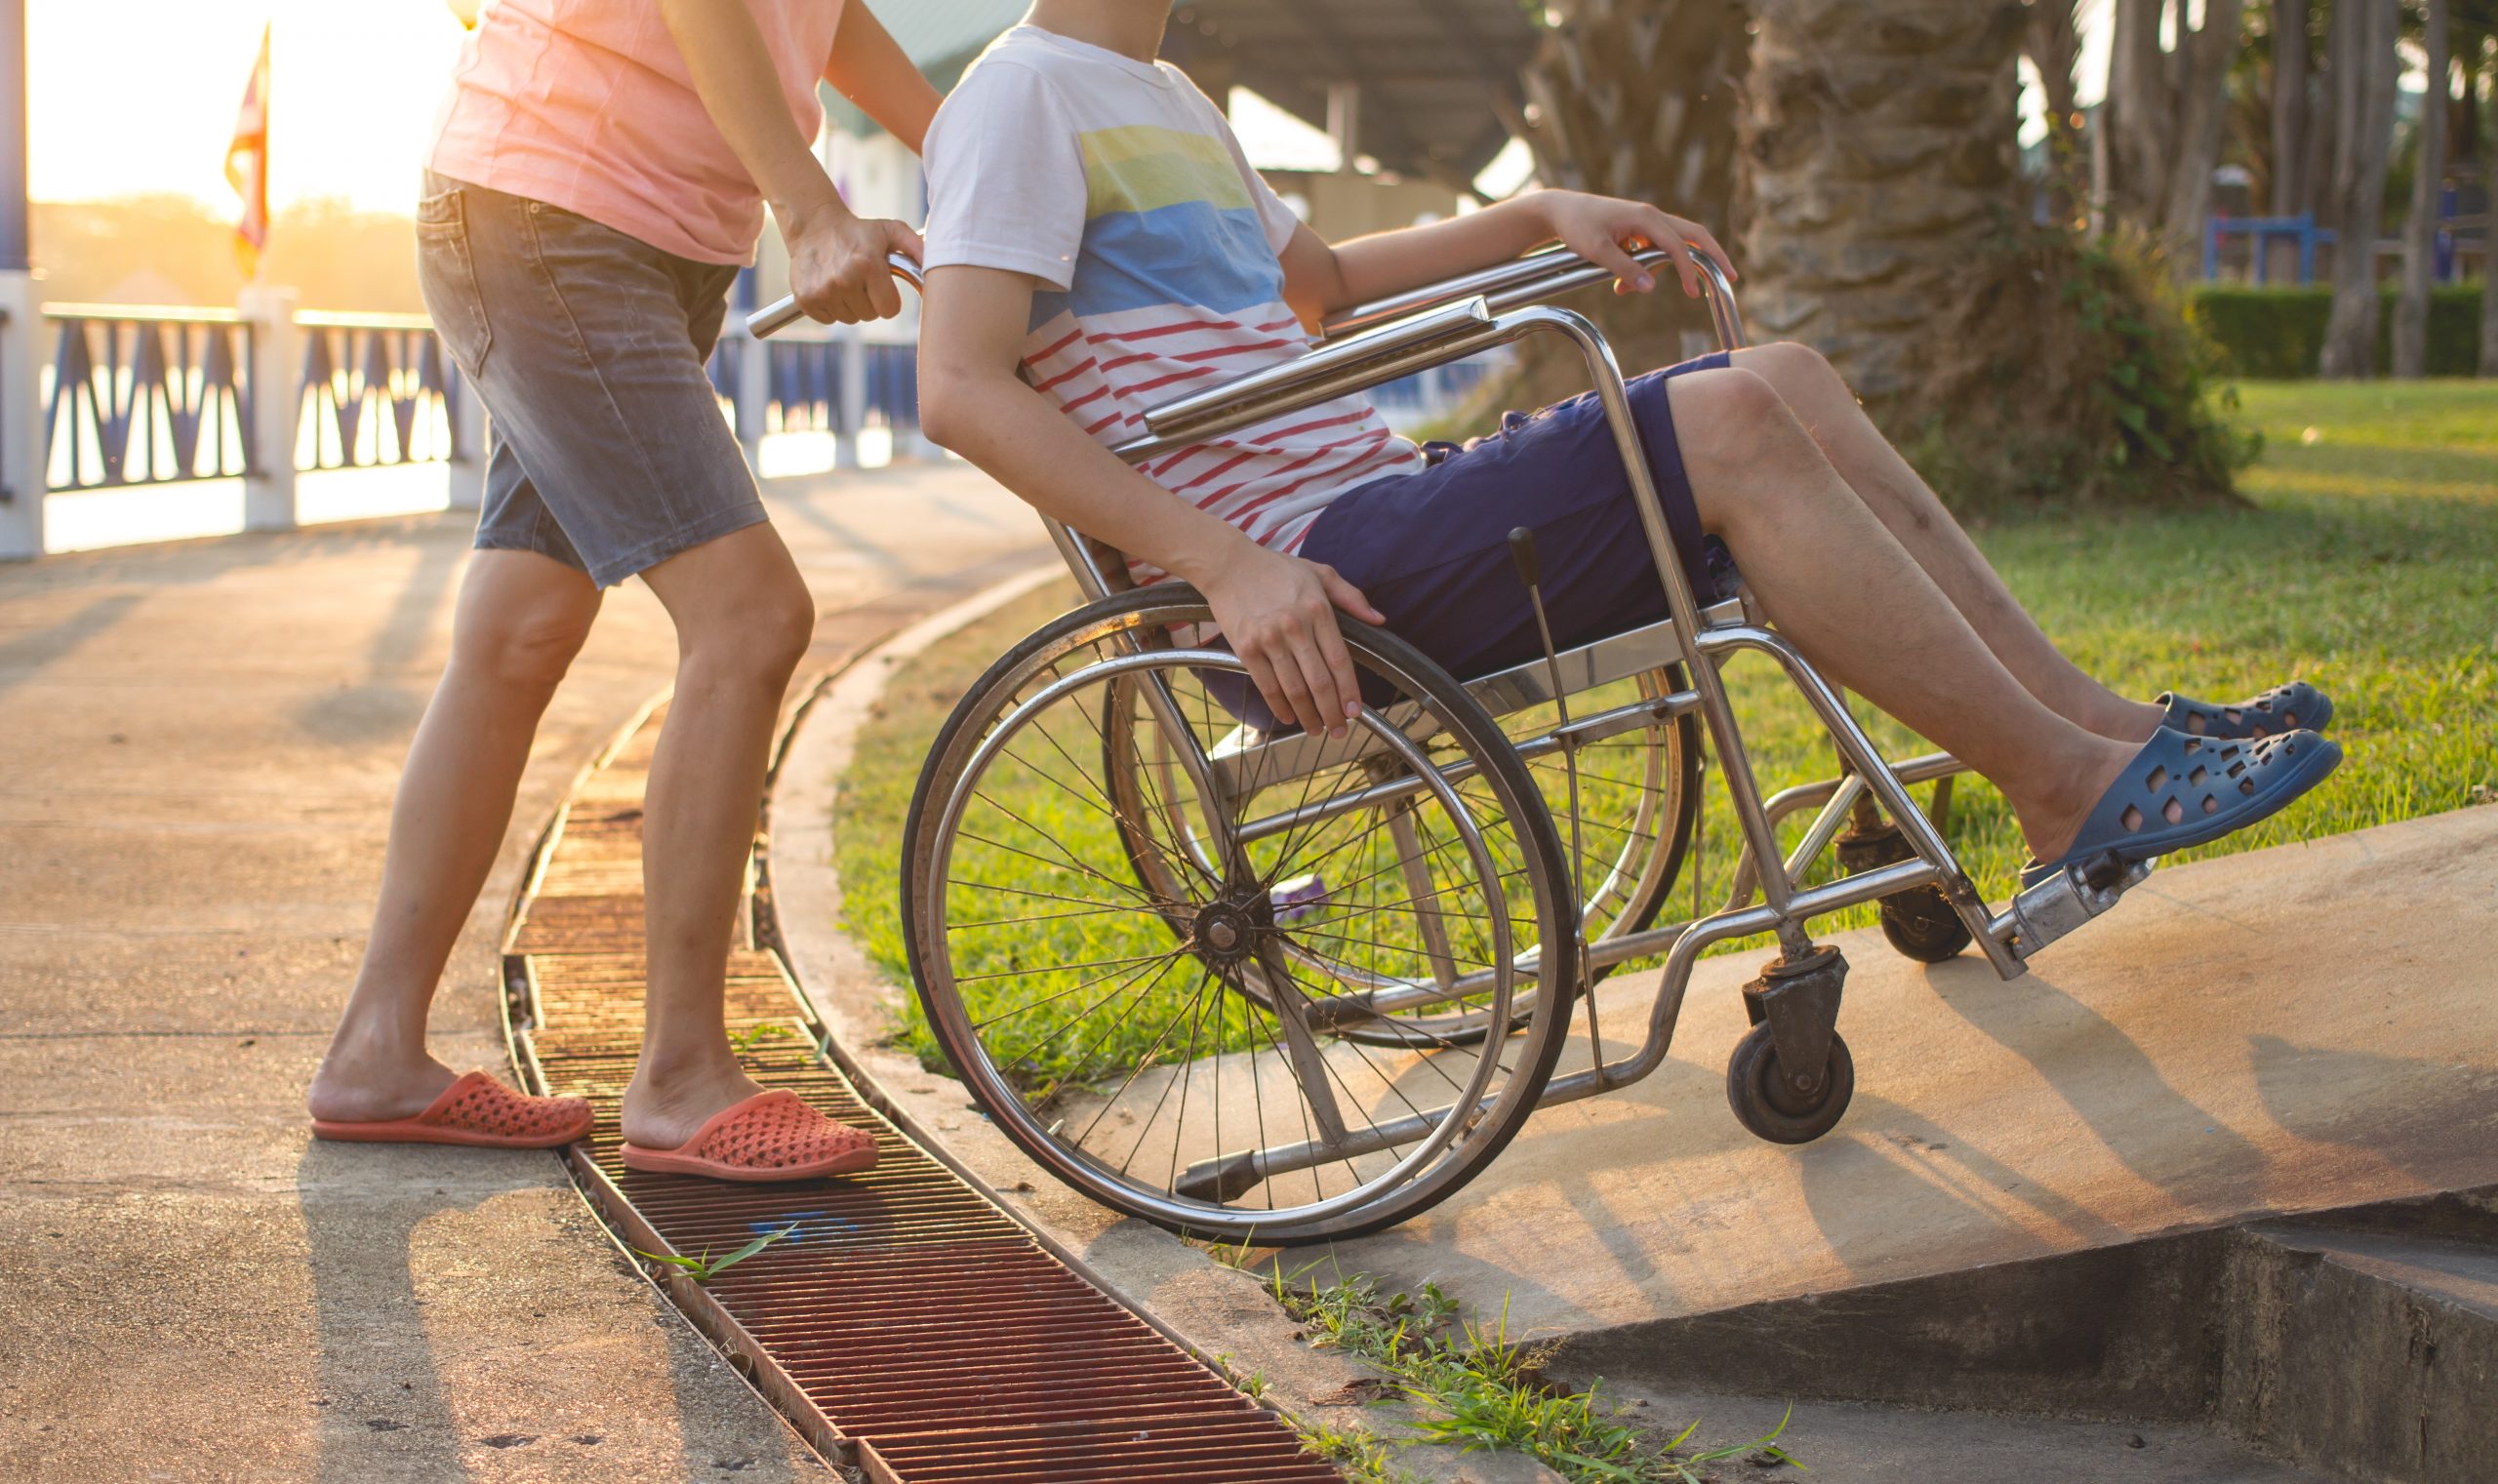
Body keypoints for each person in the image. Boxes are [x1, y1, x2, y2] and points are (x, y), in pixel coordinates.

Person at [912, 0, 2342, 901]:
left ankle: (2100, 735)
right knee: (1719, 413)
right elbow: (965, 388)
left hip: (1368, 505)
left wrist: (1540, 213)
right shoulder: (1015, 99)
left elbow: (1327, 283)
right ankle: (2060, 787)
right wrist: (1223, 566)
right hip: (1306, 574)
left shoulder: (1165, 99)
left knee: (1779, 372)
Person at [307, 0, 928, 1182]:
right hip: (554, 206)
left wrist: (970, 153)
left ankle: (375, 1054)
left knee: (521, 630)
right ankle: (683, 1076)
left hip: (662, 238)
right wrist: (810, 205)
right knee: (749, 617)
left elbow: (822, 15)